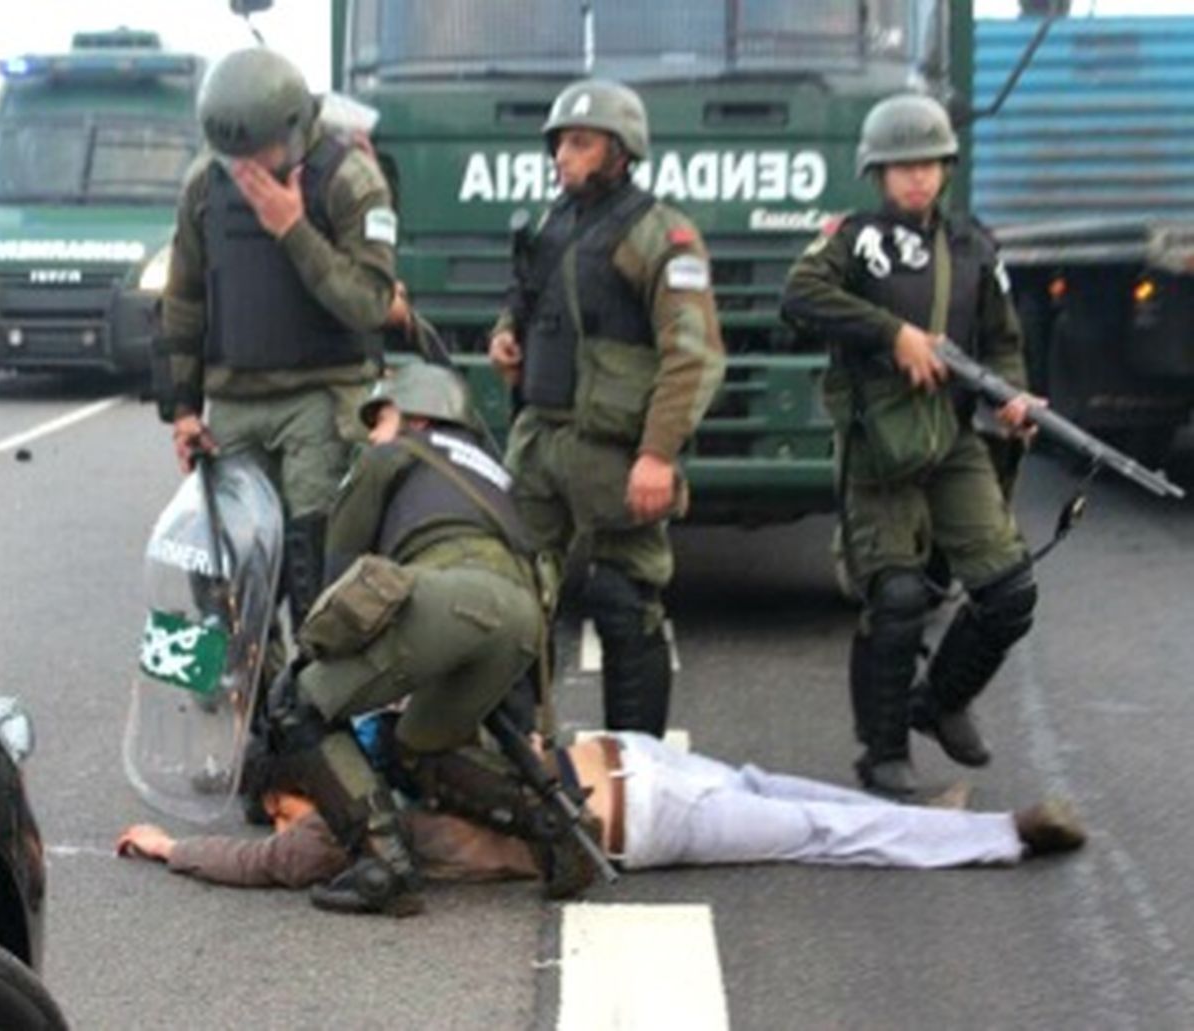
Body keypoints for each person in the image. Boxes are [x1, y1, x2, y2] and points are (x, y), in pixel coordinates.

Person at [261, 362, 598, 917]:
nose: (372, 433)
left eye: (382, 417)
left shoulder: (389, 457)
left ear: (417, 414)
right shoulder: (493, 470)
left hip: (449, 599)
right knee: (419, 746)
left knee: (299, 705)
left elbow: (340, 575)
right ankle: (556, 827)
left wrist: (314, 662)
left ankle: (382, 866)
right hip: (521, 619)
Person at [781, 93, 1042, 797]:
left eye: (927, 164)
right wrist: (891, 334)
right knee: (895, 595)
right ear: (877, 173)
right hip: (880, 440)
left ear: (945, 169)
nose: (916, 178)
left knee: (1009, 589)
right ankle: (883, 750)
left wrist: (1013, 399)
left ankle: (942, 698)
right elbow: (800, 296)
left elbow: (1002, 341)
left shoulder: (973, 247)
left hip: (954, 434)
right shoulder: (851, 238)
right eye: (900, 167)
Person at [488, 79, 726, 737]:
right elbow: (531, 297)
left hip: (614, 450)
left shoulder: (659, 234)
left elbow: (694, 356)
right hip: (539, 442)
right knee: (512, 603)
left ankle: (637, 771)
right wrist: (508, 332)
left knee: (625, 603)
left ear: (621, 152)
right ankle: (519, 763)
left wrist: (657, 454)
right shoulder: (553, 218)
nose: (564, 154)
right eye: (560, 141)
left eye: (581, 142)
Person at [116, 730, 1086, 888]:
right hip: (621, 752)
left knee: (830, 833)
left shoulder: (338, 818)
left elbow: (269, 865)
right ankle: (961, 824)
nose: (282, 824)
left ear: (291, 789)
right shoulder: (382, 736)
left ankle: (995, 834)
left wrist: (170, 847)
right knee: (783, 791)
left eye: (276, 806)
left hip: (636, 819)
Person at [157, 47, 398, 620]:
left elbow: (370, 302)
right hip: (236, 402)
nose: (248, 169)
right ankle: (256, 703)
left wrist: (293, 230)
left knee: (313, 564)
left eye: (258, 152)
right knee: (228, 577)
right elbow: (184, 299)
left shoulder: (349, 178)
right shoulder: (205, 184)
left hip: (321, 395)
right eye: (233, 155)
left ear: (293, 127)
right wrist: (184, 408)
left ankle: (317, 700)